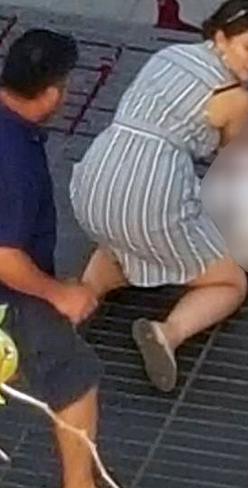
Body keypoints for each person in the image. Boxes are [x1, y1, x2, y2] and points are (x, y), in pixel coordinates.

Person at [69, 0, 248, 393]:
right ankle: (168, 332)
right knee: (229, 282)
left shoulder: (171, 54)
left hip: (94, 178)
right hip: (150, 194)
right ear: (220, 38)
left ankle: (79, 301)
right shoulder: (235, 98)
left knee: (116, 243)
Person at [0, 30, 102, 488]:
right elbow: (5, 257)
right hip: (13, 295)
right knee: (72, 376)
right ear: (52, 93)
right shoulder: (16, 161)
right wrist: (59, 293)